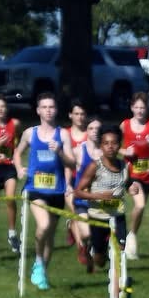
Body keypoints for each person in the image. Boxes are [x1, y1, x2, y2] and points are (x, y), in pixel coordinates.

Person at [13, 92, 75, 290]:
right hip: (35, 189)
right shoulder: (30, 133)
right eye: (44, 107)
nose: (48, 111)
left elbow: (72, 163)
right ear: (38, 110)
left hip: (56, 191)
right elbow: (17, 152)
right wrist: (19, 168)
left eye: (51, 107)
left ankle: (41, 272)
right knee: (44, 225)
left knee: (49, 237)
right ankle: (39, 262)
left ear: (56, 110)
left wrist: (59, 151)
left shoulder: (63, 135)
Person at [73, 124, 129, 298]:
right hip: (98, 217)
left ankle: (116, 293)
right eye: (106, 143)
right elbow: (78, 191)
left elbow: (128, 184)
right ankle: (93, 251)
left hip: (118, 215)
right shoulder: (94, 167)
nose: (110, 147)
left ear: (119, 145)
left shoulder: (124, 165)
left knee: (120, 250)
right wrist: (98, 196)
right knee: (100, 260)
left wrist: (133, 187)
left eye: (114, 143)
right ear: (101, 146)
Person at [120, 91, 149, 258]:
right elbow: (111, 146)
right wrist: (125, 151)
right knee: (139, 205)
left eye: (143, 107)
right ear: (131, 108)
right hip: (130, 175)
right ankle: (130, 239)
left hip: (147, 176)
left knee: (140, 209)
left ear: (147, 108)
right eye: (137, 107)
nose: (140, 110)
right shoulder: (125, 125)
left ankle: (130, 236)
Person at [70, 114, 102, 268]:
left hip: (99, 201)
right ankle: (83, 244)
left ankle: (91, 249)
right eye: (91, 128)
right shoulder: (78, 151)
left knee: (98, 235)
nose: (95, 131)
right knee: (87, 233)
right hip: (81, 200)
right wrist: (68, 185)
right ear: (86, 131)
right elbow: (67, 167)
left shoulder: (106, 153)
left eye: (98, 129)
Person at [0, 94, 21, 254]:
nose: (0, 109)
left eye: (2, 106)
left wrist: (14, 156)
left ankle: (12, 234)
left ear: (7, 108)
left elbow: (18, 143)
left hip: (8, 166)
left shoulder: (14, 123)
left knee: (10, 197)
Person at [64, 99, 89, 250]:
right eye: (76, 114)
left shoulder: (90, 134)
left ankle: (71, 225)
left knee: (84, 214)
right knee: (75, 209)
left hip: (85, 181)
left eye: (82, 114)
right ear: (70, 115)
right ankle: (82, 248)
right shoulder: (64, 134)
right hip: (68, 179)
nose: (79, 117)